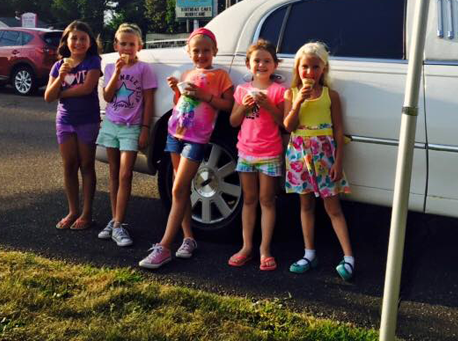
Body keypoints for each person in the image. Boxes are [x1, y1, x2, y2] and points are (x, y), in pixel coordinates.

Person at [139, 27, 233, 269]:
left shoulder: (220, 76)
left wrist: (205, 95)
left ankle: (164, 246)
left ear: (215, 51)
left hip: (196, 139)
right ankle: (188, 238)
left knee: (180, 188)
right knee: (179, 190)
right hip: (174, 134)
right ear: (189, 52)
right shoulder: (188, 73)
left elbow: (228, 105)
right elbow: (179, 103)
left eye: (206, 50)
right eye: (196, 51)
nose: (201, 55)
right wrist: (176, 89)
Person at [283, 41, 355, 281]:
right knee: (305, 206)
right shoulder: (291, 93)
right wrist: (298, 103)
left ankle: (348, 257)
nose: (309, 72)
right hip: (299, 155)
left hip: (324, 155)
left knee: (333, 208)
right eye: (305, 67)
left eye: (315, 67)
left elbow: (338, 130)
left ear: (324, 68)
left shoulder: (330, 95)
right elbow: (288, 126)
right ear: (297, 68)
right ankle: (309, 253)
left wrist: (338, 162)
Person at [96, 23, 157, 247]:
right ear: (116, 45)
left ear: (139, 46)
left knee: (125, 174)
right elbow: (108, 96)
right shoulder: (110, 67)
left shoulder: (144, 69)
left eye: (132, 44)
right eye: (123, 44)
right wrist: (117, 72)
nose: (127, 48)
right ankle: (115, 220)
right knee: (113, 173)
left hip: (131, 127)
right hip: (111, 124)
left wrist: (145, 128)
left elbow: (149, 101)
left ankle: (119, 224)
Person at [227, 39, 286, 271]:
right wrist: (244, 106)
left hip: (270, 153)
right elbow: (233, 122)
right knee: (249, 200)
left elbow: (284, 123)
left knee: (267, 200)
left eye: (267, 61)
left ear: (275, 65)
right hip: (245, 152)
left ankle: (265, 249)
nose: (261, 65)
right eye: (257, 61)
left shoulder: (279, 91)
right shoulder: (242, 90)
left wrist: (268, 105)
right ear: (248, 64)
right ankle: (246, 246)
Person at [44, 20, 102, 231]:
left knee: (86, 165)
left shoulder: (93, 61)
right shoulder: (58, 66)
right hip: (65, 121)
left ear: (90, 42)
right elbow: (48, 96)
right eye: (74, 38)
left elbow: (87, 88)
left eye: (83, 39)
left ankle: (87, 213)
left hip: (87, 120)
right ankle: (73, 211)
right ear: (66, 41)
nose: (78, 42)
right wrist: (60, 77)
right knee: (69, 165)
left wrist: (62, 93)